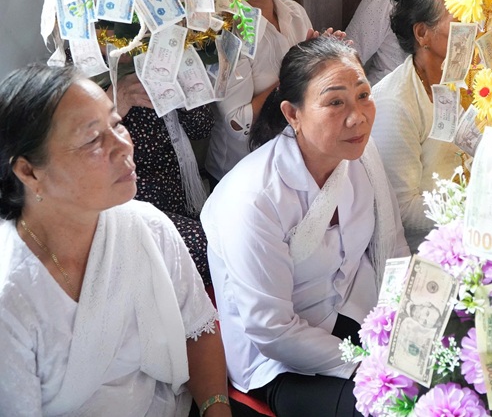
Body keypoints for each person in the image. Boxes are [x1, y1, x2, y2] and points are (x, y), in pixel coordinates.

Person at [0, 65, 230, 417]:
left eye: (117, 123)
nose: (124, 146)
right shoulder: (11, 295)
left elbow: (198, 329)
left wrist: (216, 408)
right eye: (93, 140)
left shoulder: (147, 226)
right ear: (29, 172)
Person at [201, 36, 410, 417]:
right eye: (335, 102)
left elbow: (392, 248)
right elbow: (273, 330)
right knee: (398, 406)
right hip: (281, 361)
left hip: (356, 313)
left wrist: (408, 328)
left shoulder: (361, 153)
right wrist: (369, 364)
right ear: (292, 113)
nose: (357, 116)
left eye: (363, 95)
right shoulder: (253, 197)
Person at [206, 0, 313, 182]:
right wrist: (299, 73)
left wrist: (323, 60)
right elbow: (237, 123)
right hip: (245, 172)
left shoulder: (295, 14)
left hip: (294, 156)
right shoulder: (228, 32)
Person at [371, 0, 464, 251]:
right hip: (426, 249)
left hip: (471, 228)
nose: (475, 29)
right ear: (422, 33)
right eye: (461, 18)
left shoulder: (465, 80)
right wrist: (478, 204)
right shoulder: (395, 102)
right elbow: (403, 208)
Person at [112, 69, 214, 285]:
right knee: (207, 249)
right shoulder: (80, 69)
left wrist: (186, 94)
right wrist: (116, 102)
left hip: (184, 192)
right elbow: (79, 145)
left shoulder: (160, 55)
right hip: (130, 203)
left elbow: (201, 128)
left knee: (227, 238)